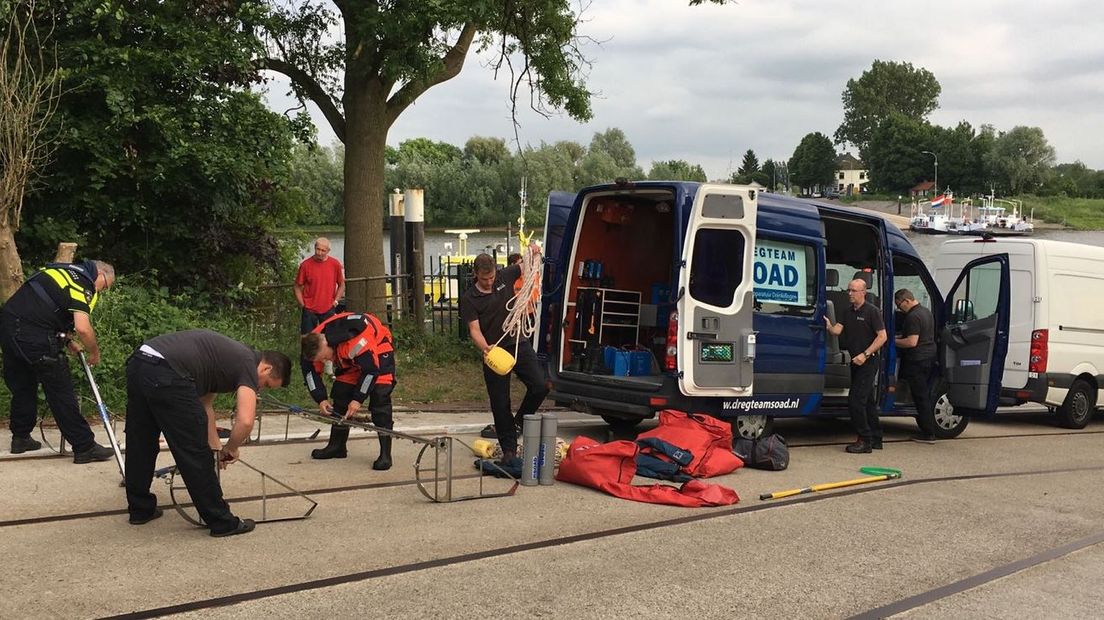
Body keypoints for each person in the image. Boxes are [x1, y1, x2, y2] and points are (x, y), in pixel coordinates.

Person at [123, 329, 291, 536]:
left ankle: (140, 509)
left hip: (141, 363)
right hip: (169, 372)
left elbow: (205, 407)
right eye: (266, 384)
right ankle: (221, 521)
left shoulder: (222, 359)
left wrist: (217, 449)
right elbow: (246, 421)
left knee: (141, 441)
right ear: (266, 368)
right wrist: (232, 448)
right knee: (193, 451)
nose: (260, 389)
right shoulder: (248, 363)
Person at [1, 260, 118, 463]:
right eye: (105, 286)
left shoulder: (60, 271)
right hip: (34, 336)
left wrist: (66, 340)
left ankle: (20, 438)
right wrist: (94, 352)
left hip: (9, 329)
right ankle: (84, 446)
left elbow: (47, 308)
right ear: (101, 273)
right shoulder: (82, 282)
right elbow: (83, 327)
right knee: (60, 390)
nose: (103, 291)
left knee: (23, 386)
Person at [460, 247, 548, 461]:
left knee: (540, 386)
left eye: (491, 277)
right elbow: (474, 330)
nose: (489, 282)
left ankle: (518, 422)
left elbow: (527, 264)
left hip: (517, 341)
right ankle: (509, 448)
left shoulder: (505, 275)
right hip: (494, 350)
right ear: (476, 275)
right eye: (484, 279)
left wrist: (534, 252)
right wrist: (486, 348)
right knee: (500, 402)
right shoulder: (469, 298)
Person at [301, 311, 396, 470]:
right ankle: (337, 446)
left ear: (326, 344)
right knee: (341, 394)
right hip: (348, 359)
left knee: (380, 397)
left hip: (377, 353)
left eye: (325, 358)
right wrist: (321, 398)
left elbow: (370, 371)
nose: (325, 362)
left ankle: (385, 455)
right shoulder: (313, 342)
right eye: (321, 360)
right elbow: (309, 372)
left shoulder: (356, 341)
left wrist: (358, 399)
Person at [825, 277, 888, 453]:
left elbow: (882, 336)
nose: (850, 294)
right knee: (867, 401)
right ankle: (876, 438)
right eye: (848, 290)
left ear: (863, 292)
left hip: (868, 361)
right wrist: (829, 326)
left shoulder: (872, 311)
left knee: (855, 401)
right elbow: (838, 330)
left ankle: (864, 440)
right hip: (855, 361)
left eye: (853, 290)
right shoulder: (848, 311)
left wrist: (865, 354)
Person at [894, 289, 938, 442]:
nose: (900, 309)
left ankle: (928, 432)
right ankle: (929, 429)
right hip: (928, 357)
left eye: (900, 306)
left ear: (906, 300)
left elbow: (912, 341)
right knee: (923, 394)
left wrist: (891, 341)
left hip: (917, 359)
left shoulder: (913, 316)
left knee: (920, 396)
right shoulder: (926, 312)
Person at [295, 237, 345, 335]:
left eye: (323, 250)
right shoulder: (305, 265)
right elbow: (297, 286)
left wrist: (335, 301)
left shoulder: (335, 264)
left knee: (329, 339)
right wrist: (302, 304)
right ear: (314, 248)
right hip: (309, 309)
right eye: (318, 249)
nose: (320, 253)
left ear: (328, 251)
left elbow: (341, 284)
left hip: (328, 308)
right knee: (308, 339)